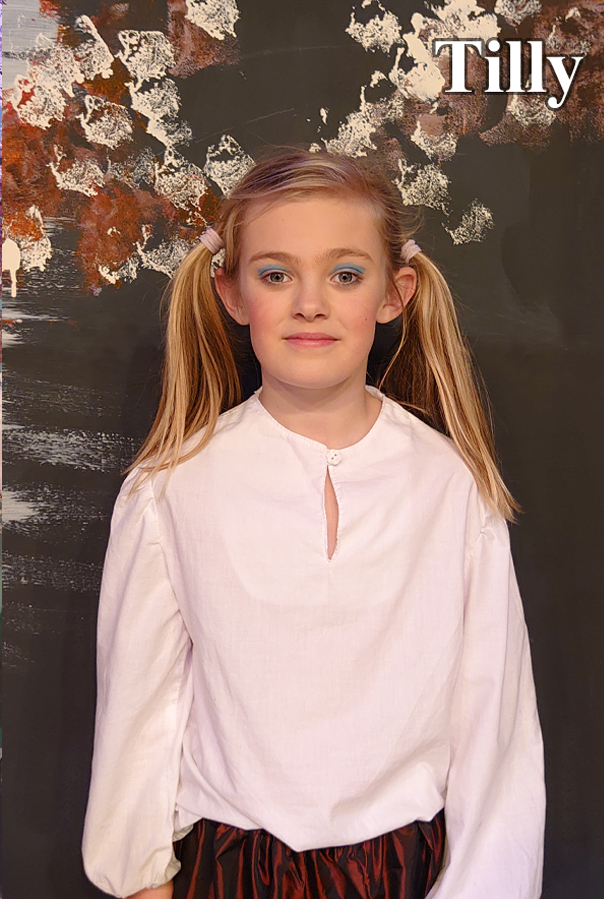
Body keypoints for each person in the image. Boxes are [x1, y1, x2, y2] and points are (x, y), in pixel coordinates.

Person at [81, 147, 546, 899]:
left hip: (403, 873)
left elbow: (495, 718)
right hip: (229, 872)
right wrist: (139, 878)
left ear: (394, 293)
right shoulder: (172, 489)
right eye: (275, 275)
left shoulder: (451, 487)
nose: (309, 303)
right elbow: (141, 711)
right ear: (232, 292)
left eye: (345, 275)